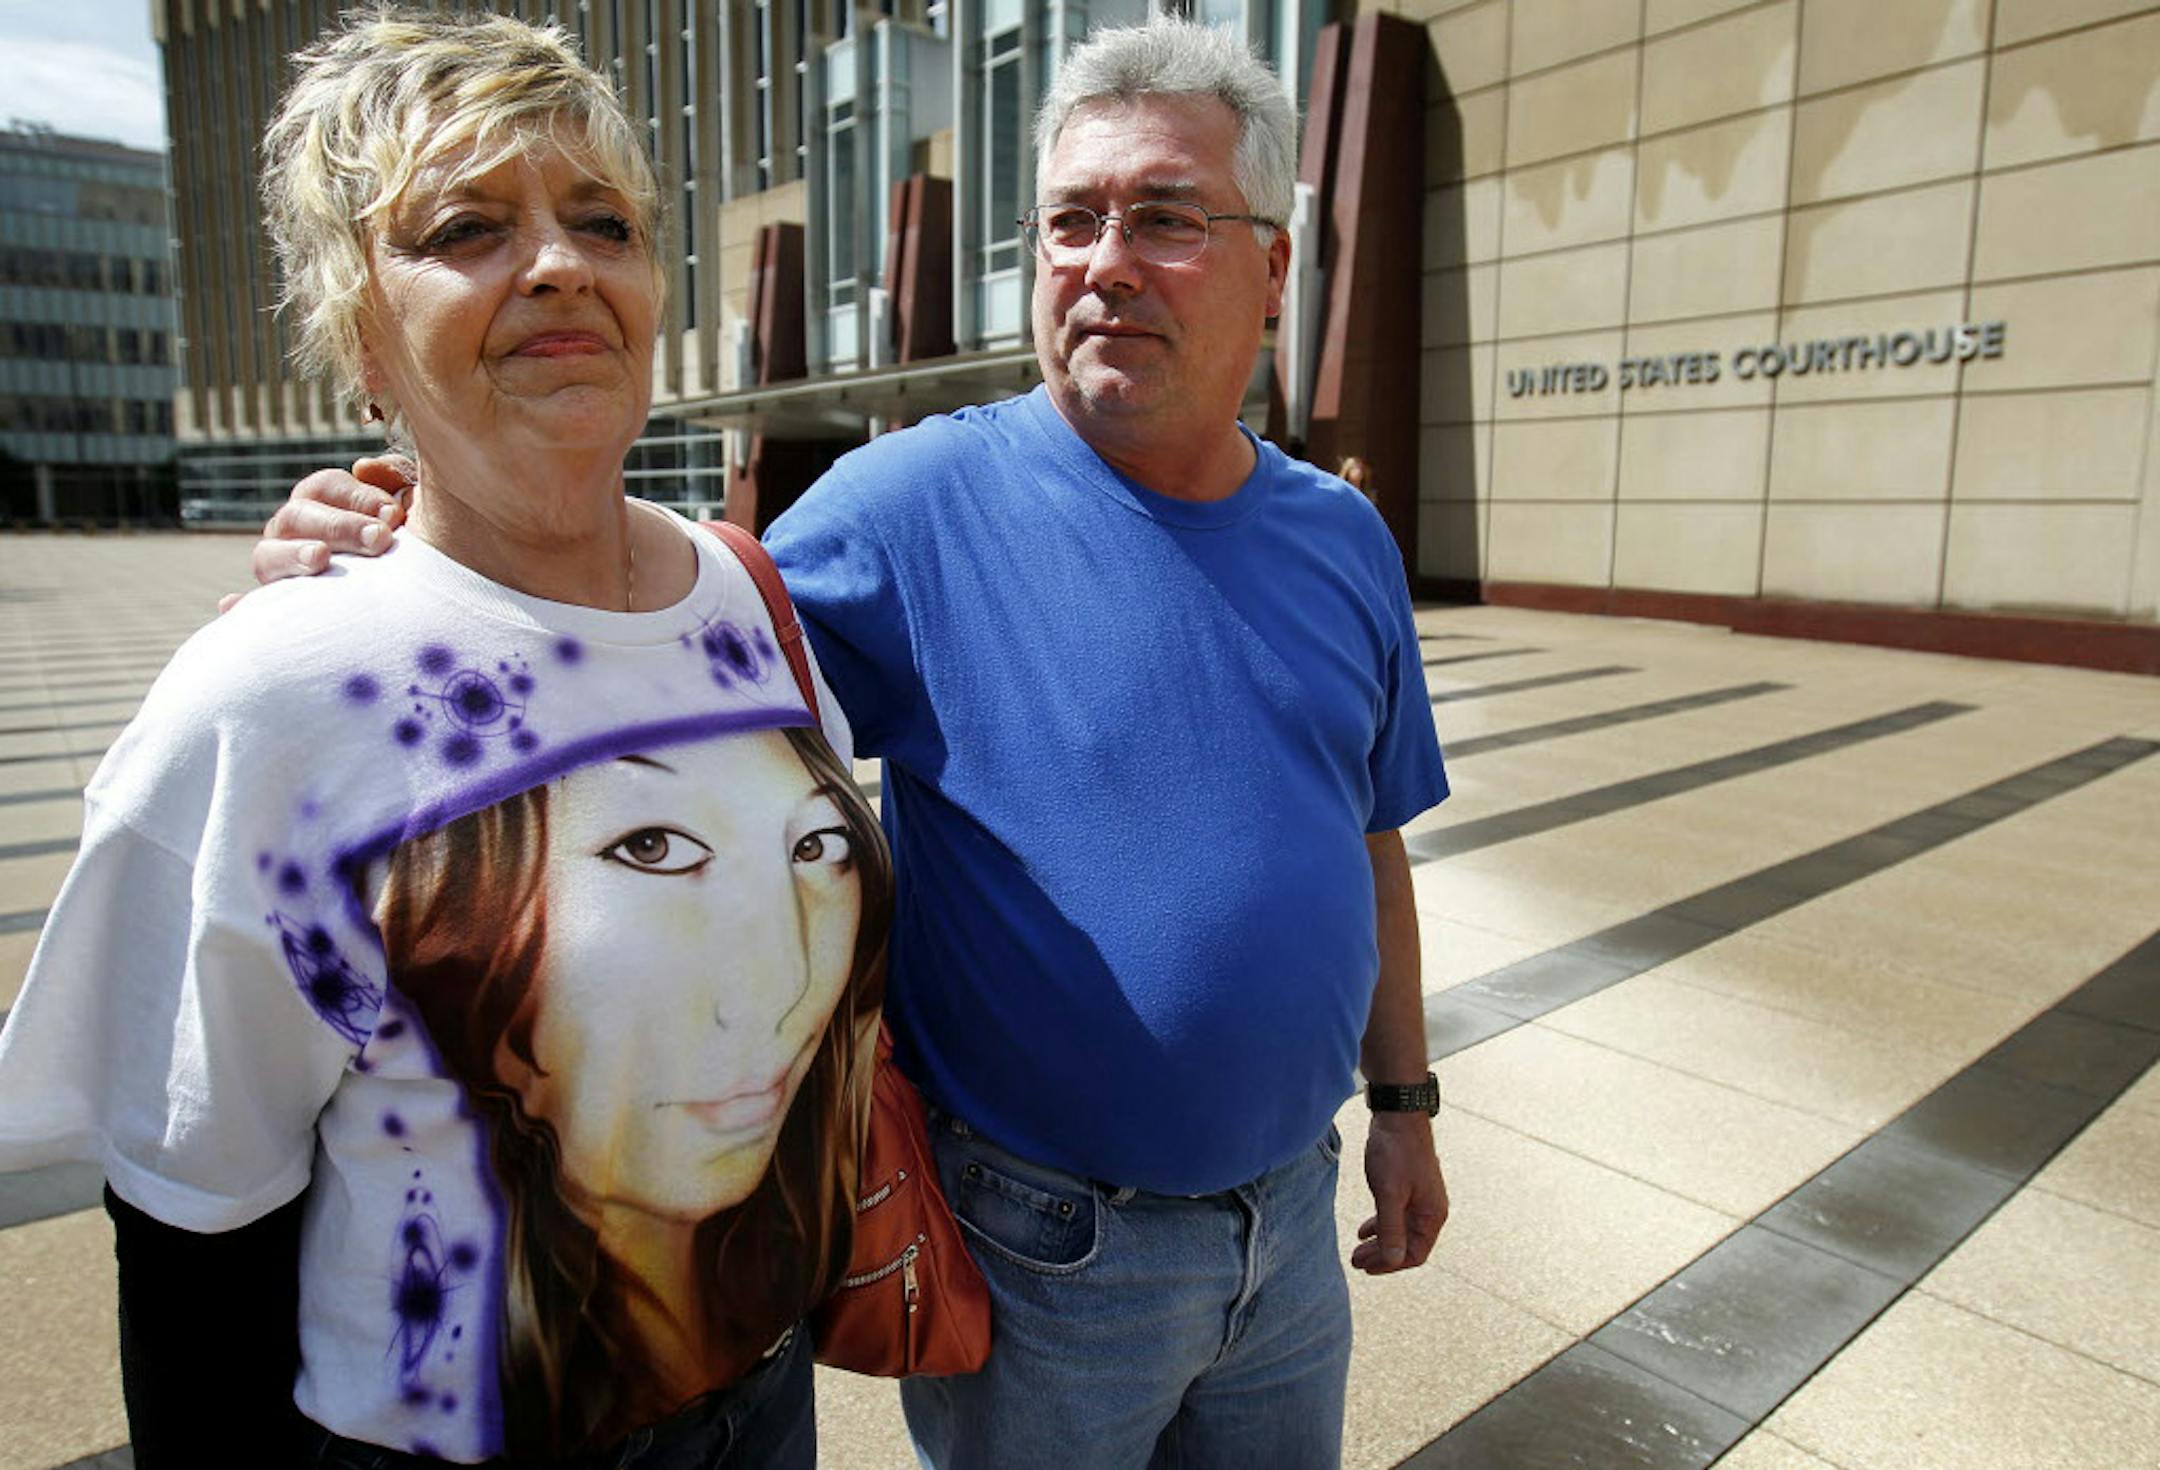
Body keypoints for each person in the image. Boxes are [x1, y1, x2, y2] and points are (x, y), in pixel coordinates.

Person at [247, 17, 1450, 1468]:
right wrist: (384, 563)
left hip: (1295, 1229)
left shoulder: (1342, 539)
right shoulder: (905, 507)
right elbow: (613, 650)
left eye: (1167, 217)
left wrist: (1405, 1104)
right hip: (1052, 1250)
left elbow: (1370, 840)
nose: (1106, 259)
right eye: (1071, 219)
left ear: (1274, 266)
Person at [0, 11, 889, 1467]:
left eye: (601, 220)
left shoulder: (742, 585)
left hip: (760, 1404)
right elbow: (190, 1236)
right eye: (465, 227)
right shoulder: (272, 696)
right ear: (357, 326)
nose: (557, 263)